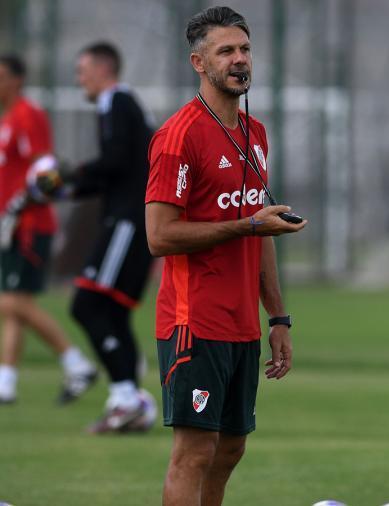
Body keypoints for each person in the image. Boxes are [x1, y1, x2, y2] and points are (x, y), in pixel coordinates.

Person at [144, 6, 306, 505]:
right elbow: (159, 236)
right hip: (194, 320)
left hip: (242, 324)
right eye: (226, 51)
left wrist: (277, 316)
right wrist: (248, 225)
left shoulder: (253, 135)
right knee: (193, 452)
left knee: (231, 448)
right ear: (199, 62)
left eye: (245, 49)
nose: (240, 60)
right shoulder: (179, 136)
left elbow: (261, 231)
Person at [0, 53, 96, 405]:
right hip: (11, 226)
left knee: (11, 302)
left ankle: (76, 363)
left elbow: (45, 168)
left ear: (17, 80)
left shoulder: (28, 115)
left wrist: (22, 201)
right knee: (15, 304)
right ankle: (6, 381)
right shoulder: (7, 120)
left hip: (29, 225)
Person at [70, 41, 156, 432]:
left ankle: (126, 397)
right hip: (133, 219)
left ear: (103, 70)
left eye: (82, 71)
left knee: (86, 304)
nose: (79, 79)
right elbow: (119, 169)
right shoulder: (125, 106)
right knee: (115, 314)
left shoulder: (115, 102)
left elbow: (116, 162)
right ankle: (129, 403)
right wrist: (71, 186)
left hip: (126, 222)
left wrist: (70, 175)